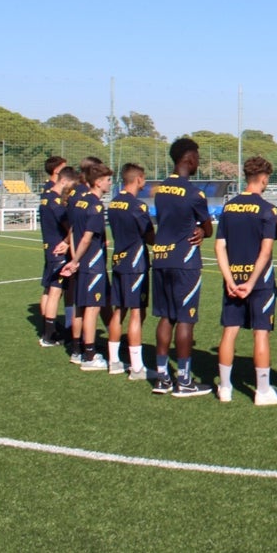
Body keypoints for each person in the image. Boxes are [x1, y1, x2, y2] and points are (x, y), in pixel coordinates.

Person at [151, 137, 214, 397]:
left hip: (161, 258)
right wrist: (201, 230)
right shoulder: (193, 193)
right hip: (184, 262)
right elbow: (208, 228)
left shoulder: (161, 189)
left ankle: (161, 377)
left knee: (166, 316)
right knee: (186, 319)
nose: (199, 162)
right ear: (188, 159)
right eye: (197, 157)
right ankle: (185, 380)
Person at [214, 156, 277, 405]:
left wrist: (230, 279)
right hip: (259, 283)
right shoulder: (266, 209)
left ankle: (225, 387)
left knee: (229, 332)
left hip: (233, 280)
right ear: (263, 178)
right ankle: (262, 390)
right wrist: (251, 281)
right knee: (260, 334)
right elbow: (265, 251)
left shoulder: (229, 208)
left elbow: (220, 246)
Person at [59, 162, 114, 371]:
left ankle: (76, 350)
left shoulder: (80, 202)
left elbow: (73, 232)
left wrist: (74, 260)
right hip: (92, 263)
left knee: (80, 308)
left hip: (83, 264)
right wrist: (75, 260)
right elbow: (85, 238)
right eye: (108, 180)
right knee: (92, 308)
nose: (110, 183)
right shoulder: (95, 206)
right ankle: (90, 355)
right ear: (99, 182)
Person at [106, 163, 155, 379]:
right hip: (136, 264)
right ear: (138, 179)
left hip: (118, 260)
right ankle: (136, 368)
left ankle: (114, 361)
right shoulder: (137, 206)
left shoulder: (113, 203)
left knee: (120, 310)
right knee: (136, 311)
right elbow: (150, 237)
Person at [38, 160, 76, 348]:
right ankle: (49, 334)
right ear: (64, 182)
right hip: (57, 250)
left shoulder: (45, 198)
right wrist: (68, 241)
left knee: (48, 289)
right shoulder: (55, 202)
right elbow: (69, 228)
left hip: (48, 247)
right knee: (55, 291)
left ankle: (47, 328)